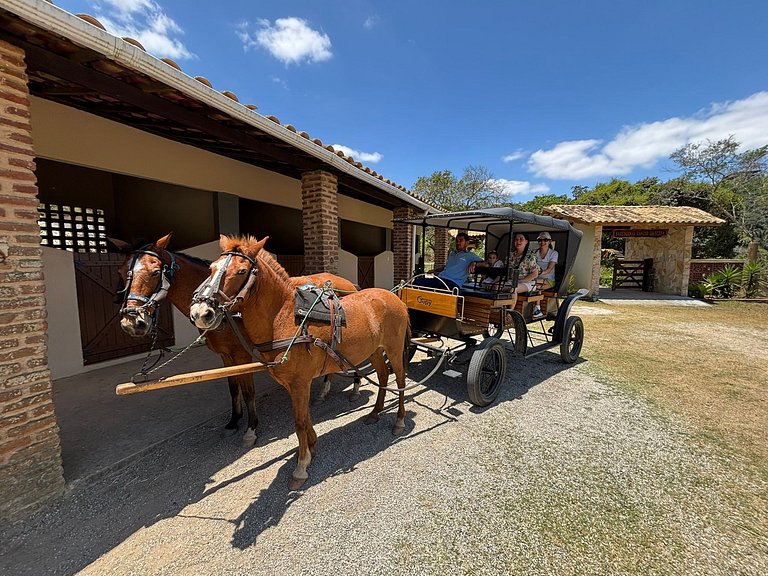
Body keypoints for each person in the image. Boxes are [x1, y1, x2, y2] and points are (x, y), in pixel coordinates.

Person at [418, 232, 483, 290]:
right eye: (457, 241)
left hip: (453, 283)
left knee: (440, 289)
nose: (458, 243)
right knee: (418, 281)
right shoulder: (452, 254)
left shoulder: (470, 255)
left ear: (467, 243)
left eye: (460, 241)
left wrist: (474, 263)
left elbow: (486, 263)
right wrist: (434, 270)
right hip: (441, 279)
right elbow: (447, 267)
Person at [504, 232, 539, 312]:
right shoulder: (510, 255)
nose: (518, 241)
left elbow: (535, 273)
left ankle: (510, 313)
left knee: (514, 288)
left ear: (526, 242)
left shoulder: (530, 255)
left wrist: (521, 281)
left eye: (521, 239)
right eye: (516, 239)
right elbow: (505, 270)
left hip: (527, 283)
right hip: (512, 281)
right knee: (495, 287)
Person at [532, 232, 559, 319]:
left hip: (549, 280)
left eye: (545, 240)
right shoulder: (535, 253)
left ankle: (537, 308)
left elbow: (549, 269)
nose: (542, 242)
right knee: (530, 283)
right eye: (540, 240)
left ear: (549, 242)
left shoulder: (554, 253)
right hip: (536, 277)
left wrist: (539, 273)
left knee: (535, 284)